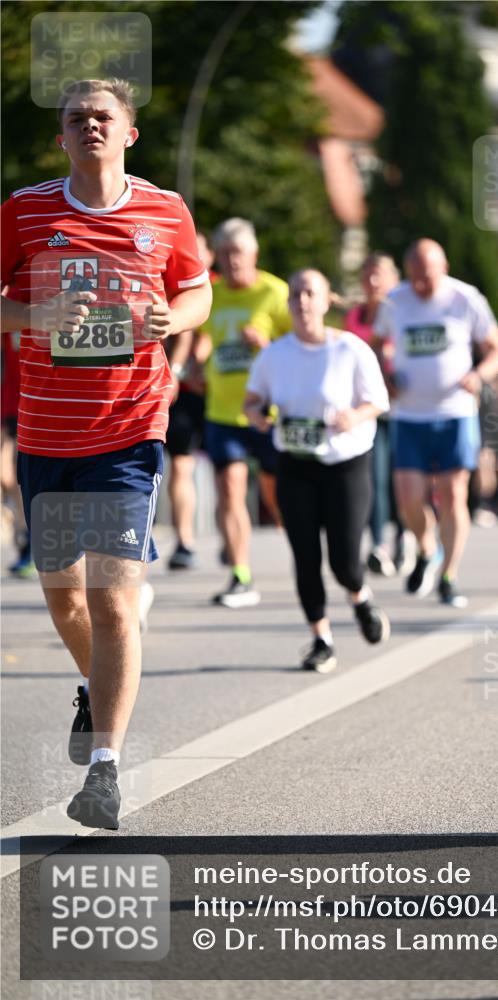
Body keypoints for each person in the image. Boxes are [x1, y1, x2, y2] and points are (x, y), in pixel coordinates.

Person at [0, 78, 211, 830]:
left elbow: (197, 290)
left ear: (129, 134)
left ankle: (105, 770)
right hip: (48, 434)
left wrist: (170, 317)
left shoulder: (165, 211)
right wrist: (32, 312)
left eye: (102, 116)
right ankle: (93, 687)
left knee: (113, 599)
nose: (88, 126)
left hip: (129, 430)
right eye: (75, 118)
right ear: (61, 137)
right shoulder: (25, 212)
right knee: (61, 596)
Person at [244, 269, 390, 673]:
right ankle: (320, 638)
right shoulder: (275, 354)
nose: (302, 301)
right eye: (295, 294)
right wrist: (256, 414)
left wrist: (354, 416)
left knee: (344, 560)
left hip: (346, 463)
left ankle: (359, 596)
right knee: (305, 556)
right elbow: (253, 398)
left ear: (327, 302)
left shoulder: (351, 350)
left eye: (310, 293)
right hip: (295, 465)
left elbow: (377, 401)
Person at [374, 239, 498, 607]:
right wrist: (385, 377)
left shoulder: (465, 299)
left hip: (455, 412)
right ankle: (425, 546)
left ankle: (449, 576)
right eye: (416, 277)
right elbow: (374, 343)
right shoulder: (396, 300)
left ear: (444, 267)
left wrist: (479, 375)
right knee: (408, 499)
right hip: (409, 415)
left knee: (453, 495)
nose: (422, 285)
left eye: (429, 277)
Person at [195, 219, 290, 607]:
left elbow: (298, 350)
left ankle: (301, 552)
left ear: (254, 254)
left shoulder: (276, 293)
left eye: (240, 253)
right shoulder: (211, 293)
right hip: (223, 410)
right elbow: (202, 336)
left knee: (276, 494)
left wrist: (265, 344)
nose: (234, 261)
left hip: (267, 412)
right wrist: (197, 363)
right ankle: (240, 574)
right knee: (230, 490)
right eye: (227, 254)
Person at [344, 252, 409, 576]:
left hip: (401, 405)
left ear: (393, 279)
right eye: (367, 275)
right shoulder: (355, 315)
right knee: (375, 476)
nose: (372, 282)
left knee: (404, 476)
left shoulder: (401, 312)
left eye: (378, 275)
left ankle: (404, 536)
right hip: (368, 408)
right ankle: (379, 544)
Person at [164, 232, 216, 569]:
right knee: (181, 465)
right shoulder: (168, 285)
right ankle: (185, 540)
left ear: (211, 255)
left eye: (200, 249)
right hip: (183, 394)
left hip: (223, 397)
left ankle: (234, 538)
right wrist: (177, 370)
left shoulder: (220, 288)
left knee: (232, 475)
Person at [1, 327, 36, 577]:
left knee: (17, 473)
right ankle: (26, 533)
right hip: (9, 401)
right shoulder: (10, 308)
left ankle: (31, 541)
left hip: (33, 400)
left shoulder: (41, 307)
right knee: (6, 473)